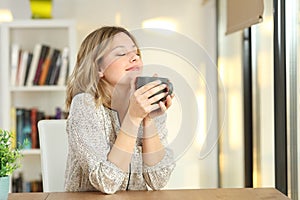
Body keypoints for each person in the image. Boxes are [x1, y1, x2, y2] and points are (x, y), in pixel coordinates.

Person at [64, 26, 175, 194]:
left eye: (136, 53)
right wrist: (133, 118)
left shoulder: (146, 105)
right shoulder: (85, 105)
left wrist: (147, 119)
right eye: (121, 53)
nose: (134, 58)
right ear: (98, 68)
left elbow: (158, 180)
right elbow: (106, 182)